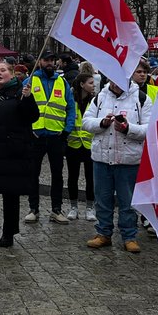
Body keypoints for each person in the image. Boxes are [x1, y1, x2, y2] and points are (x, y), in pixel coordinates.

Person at [82, 79, 152, 253]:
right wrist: (102, 123)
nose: (115, 83)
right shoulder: (100, 97)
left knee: (127, 202)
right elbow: (86, 122)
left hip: (128, 160)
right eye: (112, 79)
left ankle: (129, 236)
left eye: (119, 79)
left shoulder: (142, 98)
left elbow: (150, 129)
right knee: (102, 199)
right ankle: (103, 233)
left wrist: (128, 128)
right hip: (101, 158)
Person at [0, 62, 39, 247]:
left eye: (3, 70)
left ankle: (8, 232)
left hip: (12, 150)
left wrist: (28, 98)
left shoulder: (20, 92)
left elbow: (32, 116)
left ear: (11, 74)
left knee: (10, 193)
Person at [23, 50, 76, 224]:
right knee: (32, 173)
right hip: (35, 135)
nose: (50, 63)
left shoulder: (62, 82)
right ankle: (33, 209)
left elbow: (70, 107)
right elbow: (21, 107)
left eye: (53, 60)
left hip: (56, 135)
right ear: (39, 62)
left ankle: (56, 209)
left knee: (57, 175)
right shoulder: (29, 81)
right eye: (46, 60)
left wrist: (67, 130)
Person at [66, 73, 96, 221]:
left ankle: (90, 207)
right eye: (91, 83)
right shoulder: (71, 99)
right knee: (73, 176)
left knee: (91, 178)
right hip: (73, 144)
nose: (93, 85)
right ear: (82, 85)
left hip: (90, 144)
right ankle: (73, 207)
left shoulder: (96, 100)